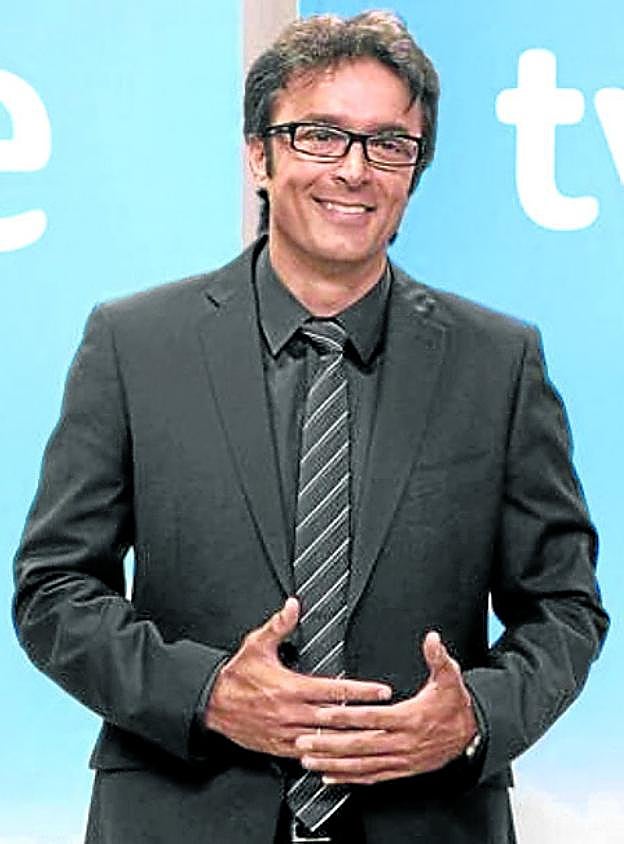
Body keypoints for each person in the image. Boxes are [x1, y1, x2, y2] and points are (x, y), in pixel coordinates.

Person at [13, 11, 608, 844]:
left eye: (389, 143)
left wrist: (475, 713)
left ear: (415, 170)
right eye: (320, 136)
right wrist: (207, 694)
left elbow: (566, 607)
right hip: (179, 817)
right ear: (259, 155)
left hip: (427, 820)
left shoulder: (498, 361)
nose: (354, 170)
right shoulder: (134, 344)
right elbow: (53, 592)